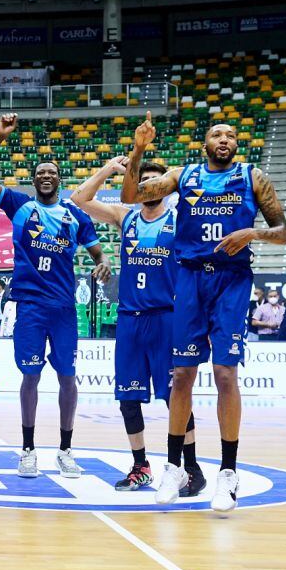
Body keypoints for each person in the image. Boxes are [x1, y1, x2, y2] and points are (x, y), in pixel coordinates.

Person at [122, 118, 286, 512]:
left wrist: (251, 234)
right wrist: (139, 148)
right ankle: (174, 467)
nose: (225, 139)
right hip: (190, 279)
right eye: (217, 134)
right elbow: (131, 193)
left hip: (231, 281)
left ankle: (228, 474)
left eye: (231, 135)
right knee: (181, 375)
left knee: (225, 373)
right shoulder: (185, 175)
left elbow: (282, 231)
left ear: (237, 144)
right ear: (205, 144)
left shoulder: (253, 177)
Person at [0, 113, 111, 479]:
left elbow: (98, 252)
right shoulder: (19, 206)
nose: (46, 176)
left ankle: (66, 450)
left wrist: (103, 263)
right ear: (34, 181)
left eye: (51, 172)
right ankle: (28, 449)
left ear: (59, 179)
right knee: (30, 377)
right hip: (31, 306)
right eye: (40, 173)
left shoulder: (74, 215)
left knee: (68, 376)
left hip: (64, 308)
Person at [72, 153, 203, 496]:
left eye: (155, 181)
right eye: (142, 181)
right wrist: (109, 170)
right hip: (130, 320)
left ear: (166, 187)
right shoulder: (125, 216)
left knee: (175, 397)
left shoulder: (179, 221)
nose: (148, 186)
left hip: (166, 319)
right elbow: (79, 199)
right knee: (127, 399)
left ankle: (191, 468)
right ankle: (140, 466)